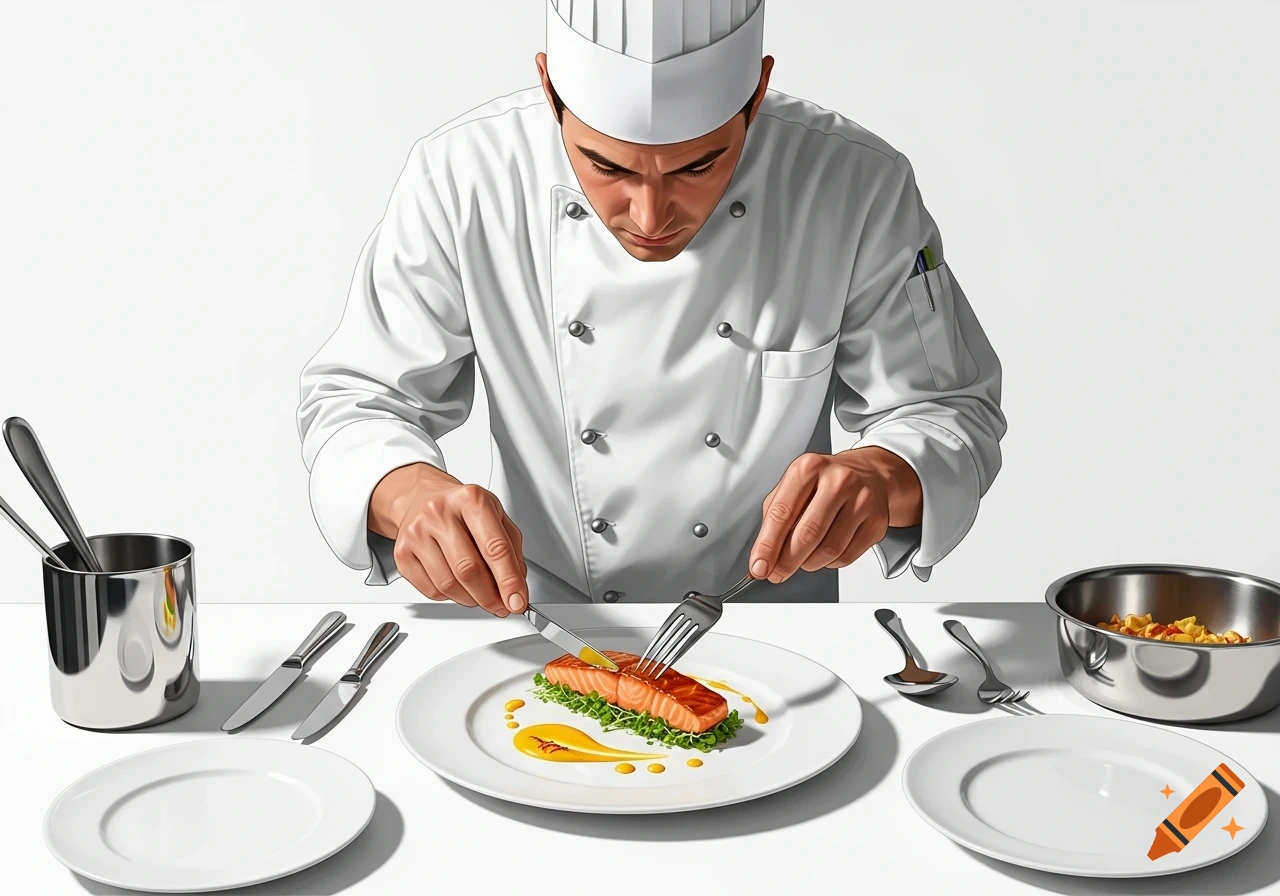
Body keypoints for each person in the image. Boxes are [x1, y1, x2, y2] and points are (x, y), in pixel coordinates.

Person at [296, 0, 1005, 616]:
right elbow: (356, 400)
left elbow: (951, 410)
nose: (649, 214)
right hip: (538, 616)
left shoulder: (854, 186)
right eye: (607, 166)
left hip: (777, 623)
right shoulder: (465, 180)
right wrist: (410, 494)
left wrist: (882, 476)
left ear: (757, 94)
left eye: (699, 166)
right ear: (549, 90)